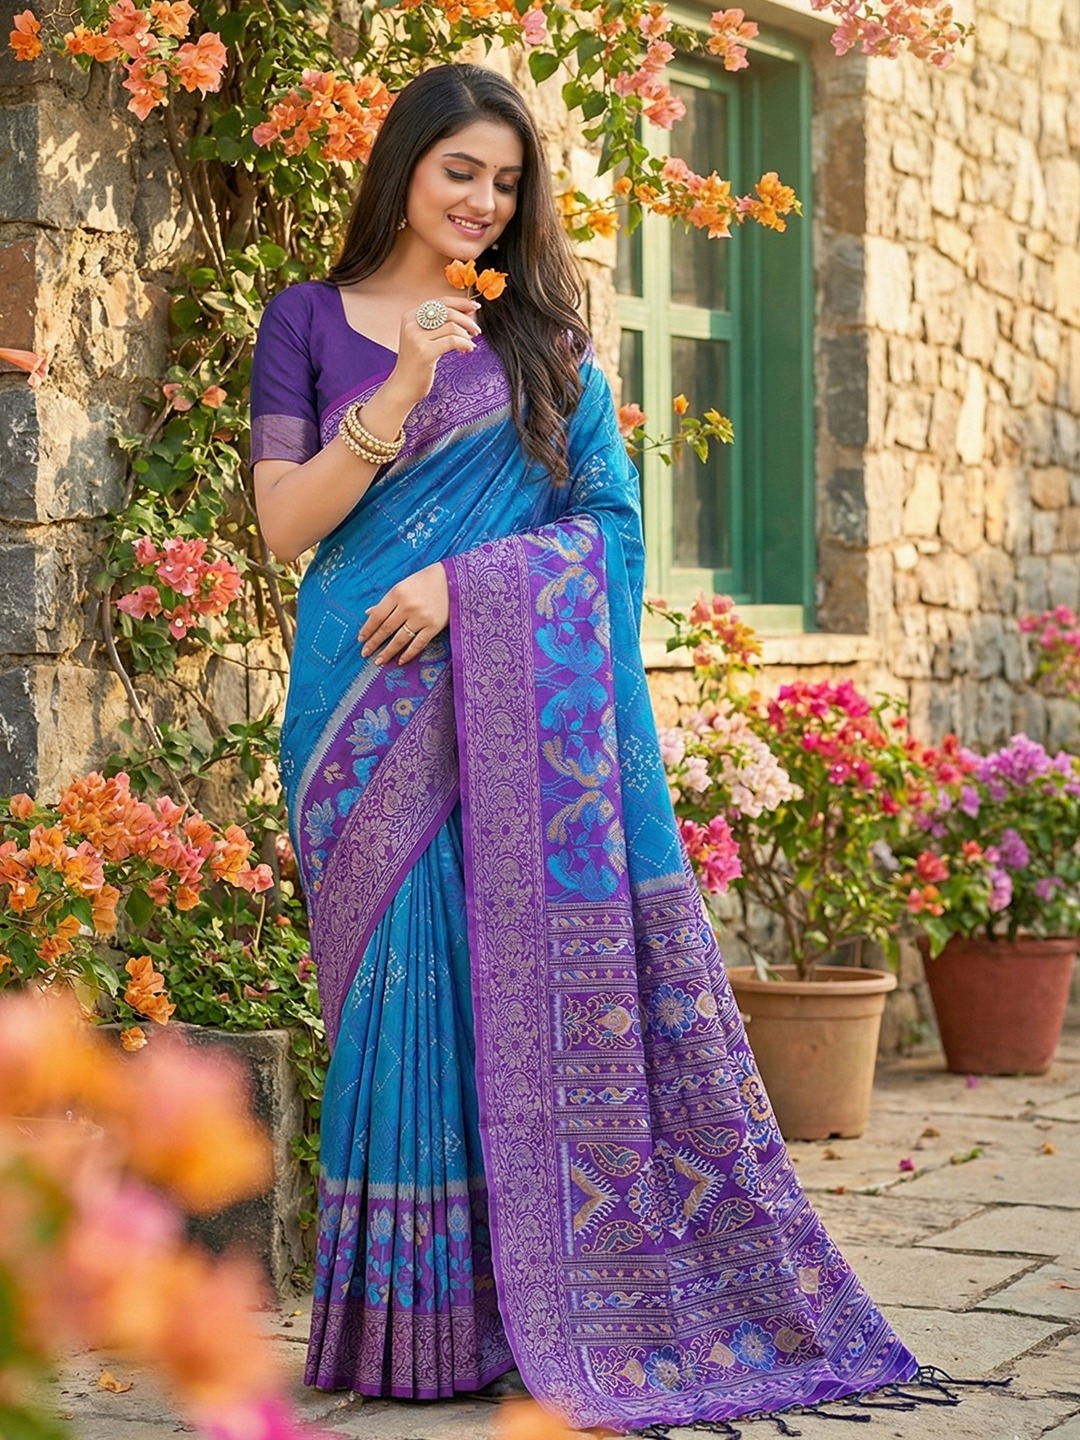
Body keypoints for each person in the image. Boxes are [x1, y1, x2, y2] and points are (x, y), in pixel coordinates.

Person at [250, 62, 919, 1432]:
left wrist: (464, 587)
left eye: (507, 183)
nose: (483, 202)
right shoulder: (307, 319)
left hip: (484, 692)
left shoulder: (548, 344)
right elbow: (282, 525)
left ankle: (521, 1313)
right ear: (403, 166)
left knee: (502, 993)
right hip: (354, 711)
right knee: (394, 998)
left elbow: (608, 535)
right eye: (460, 172)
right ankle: (407, 1330)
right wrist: (409, 376)